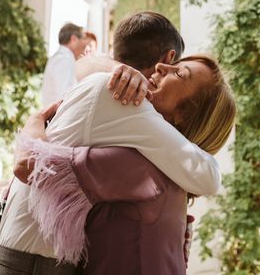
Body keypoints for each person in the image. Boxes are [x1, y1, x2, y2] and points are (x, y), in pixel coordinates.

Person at [0, 12, 224, 274]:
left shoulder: (119, 105)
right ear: (168, 57)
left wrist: (32, 124)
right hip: (28, 264)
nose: (166, 70)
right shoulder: (124, 101)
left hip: (15, 254)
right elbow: (209, 177)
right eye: (176, 66)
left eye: (180, 74)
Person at [17, 55, 236, 274]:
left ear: (184, 115)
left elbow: (30, 167)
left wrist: (33, 125)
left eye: (179, 73)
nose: (161, 66)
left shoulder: (138, 164)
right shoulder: (174, 175)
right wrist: (119, 69)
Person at [41, 23, 88, 106]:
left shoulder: (61, 58)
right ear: (74, 39)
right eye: (83, 38)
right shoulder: (64, 60)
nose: (85, 43)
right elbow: (65, 97)